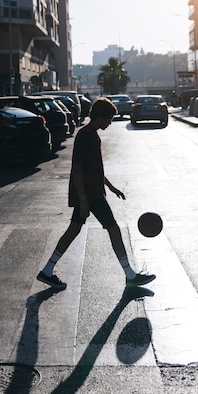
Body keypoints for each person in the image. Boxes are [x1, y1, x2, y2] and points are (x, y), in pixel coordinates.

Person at [37, 97, 156, 291]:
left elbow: (95, 168)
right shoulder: (86, 135)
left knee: (73, 230)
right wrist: (83, 200)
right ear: (101, 117)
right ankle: (130, 275)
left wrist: (110, 186)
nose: (110, 123)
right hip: (90, 195)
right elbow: (77, 168)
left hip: (91, 192)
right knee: (113, 229)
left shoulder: (92, 134)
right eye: (109, 119)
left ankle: (47, 271)